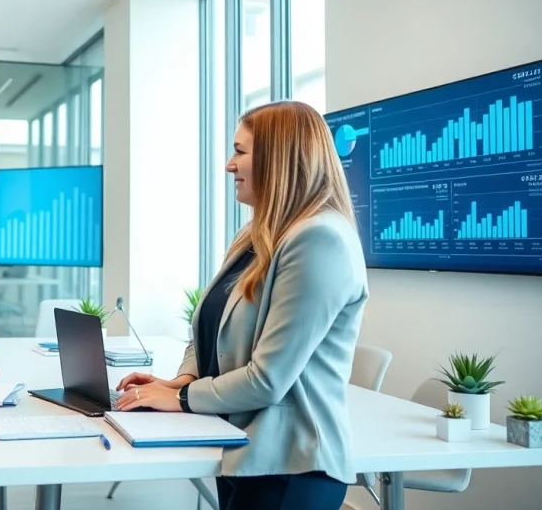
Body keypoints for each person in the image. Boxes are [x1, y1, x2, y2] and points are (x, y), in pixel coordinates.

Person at [115, 101, 369, 510]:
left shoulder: (319, 240)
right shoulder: (257, 233)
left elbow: (268, 379)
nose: (229, 165)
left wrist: (183, 399)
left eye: (240, 151)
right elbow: (213, 330)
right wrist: (181, 381)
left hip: (292, 464)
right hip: (243, 450)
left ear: (277, 159)